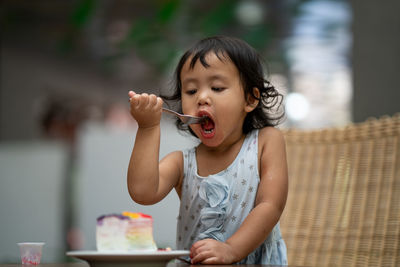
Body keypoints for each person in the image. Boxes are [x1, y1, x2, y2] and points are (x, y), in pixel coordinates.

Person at [127, 36, 288, 265]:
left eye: (217, 87)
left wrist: (231, 249)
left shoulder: (266, 142)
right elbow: (142, 191)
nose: (202, 97)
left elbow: (270, 205)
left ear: (250, 99)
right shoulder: (182, 162)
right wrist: (147, 127)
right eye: (191, 91)